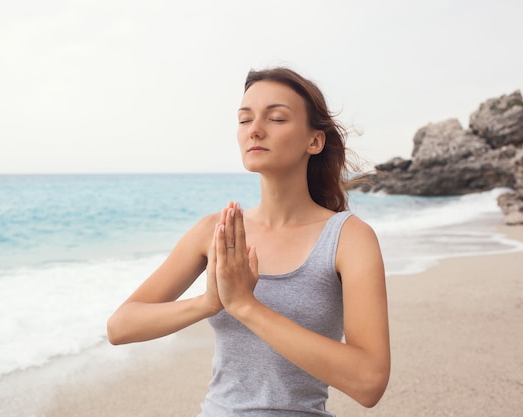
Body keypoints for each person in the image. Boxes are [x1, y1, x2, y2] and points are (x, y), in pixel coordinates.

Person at [107, 67, 390, 416]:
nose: (255, 130)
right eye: (244, 120)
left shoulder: (349, 238)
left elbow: (369, 381)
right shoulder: (216, 230)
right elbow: (121, 326)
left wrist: (246, 306)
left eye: (276, 118)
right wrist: (209, 302)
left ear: (314, 141)